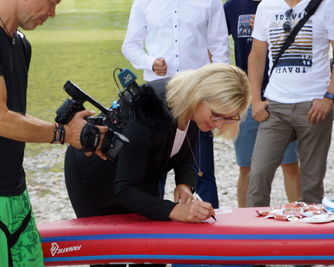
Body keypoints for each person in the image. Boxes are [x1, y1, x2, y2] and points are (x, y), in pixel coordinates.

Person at [0, 0, 108, 266]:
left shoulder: (21, 43)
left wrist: (73, 132)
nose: (53, 13)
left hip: (16, 193)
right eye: (51, 2)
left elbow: (15, 116)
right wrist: (62, 134)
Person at [65, 63, 251, 222]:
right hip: (94, 175)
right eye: (216, 115)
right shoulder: (151, 109)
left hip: (141, 175)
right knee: (103, 252)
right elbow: (125, 190)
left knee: (152, 252)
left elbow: (186, 148)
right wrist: (177, 210)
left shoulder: (194, 108)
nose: (218, 125)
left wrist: (184, 184)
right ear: (199, 95)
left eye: (227, 119)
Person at [121, 0, 231, 208]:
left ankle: (210, 224)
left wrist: (218, 93)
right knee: (151, 172)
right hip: (157, 100)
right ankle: (153, 228)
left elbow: (220, 50)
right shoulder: (143, 2)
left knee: (201, 169)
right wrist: (150, 62)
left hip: (200, 99)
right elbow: (130, 46)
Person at [247, 0, 334, 207]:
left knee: (312, 182)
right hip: (274, 107)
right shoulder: (266, 6)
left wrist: (329, 97)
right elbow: (257, 56)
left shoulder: (327, 5)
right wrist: (256, 100)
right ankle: (255, 234)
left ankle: (309, 236)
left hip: (314, 107)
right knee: (258, 174)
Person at [223, 0, 301, 208]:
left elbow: (303, 43)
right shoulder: (232, 7)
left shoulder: (286, 5)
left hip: (282, 95)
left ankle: (302, 219)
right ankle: (246, 224)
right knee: (246, 167)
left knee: (290, 164)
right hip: (247, 97)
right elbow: (215, 45)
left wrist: (271, 27)